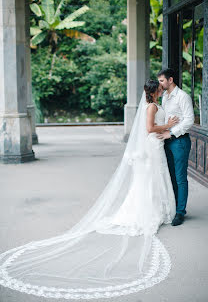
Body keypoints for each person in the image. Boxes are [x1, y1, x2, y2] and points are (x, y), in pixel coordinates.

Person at [0, 80, 178, 300]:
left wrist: (167, 126)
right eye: (159, 89)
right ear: (153, 92)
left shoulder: (154, 105)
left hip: (155, 146)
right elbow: (149, 129)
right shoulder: (151, 107)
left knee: (154, 180)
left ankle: (156, 209)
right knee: (150, 181)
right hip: (153, 146)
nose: (162, 90)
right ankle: (149, 211)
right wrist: (168, 125)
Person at [157, 68, 194, 226]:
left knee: (180, 178)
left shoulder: (183, 96)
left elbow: (189, 120)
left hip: (179, 141)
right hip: (166, 141)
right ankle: (173, 207)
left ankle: (180, 212)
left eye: (162, 81)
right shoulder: (165, 96)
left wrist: (171, 132)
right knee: (170, 175)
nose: (160, 84)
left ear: (170, 80)